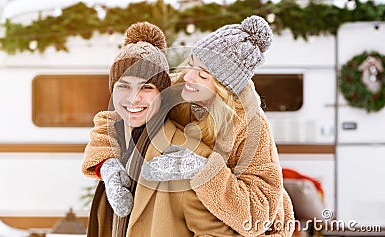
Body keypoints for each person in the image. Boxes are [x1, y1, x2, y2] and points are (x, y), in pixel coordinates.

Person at [82, 22, 242, 237]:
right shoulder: (114, 146)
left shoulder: (185, 155)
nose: (133, 98)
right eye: (123, 85)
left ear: (162, 94)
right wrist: (105, 166)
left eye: (146, 87)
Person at [141, 15, 295, 236]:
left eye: (203, 75)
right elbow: (120, 114)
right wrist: (107, 164)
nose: (188, 76)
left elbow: (258, 214)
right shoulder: (174, 88)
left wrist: (202, 170)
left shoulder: (251, 126)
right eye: (191, 64)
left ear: (224, 90)